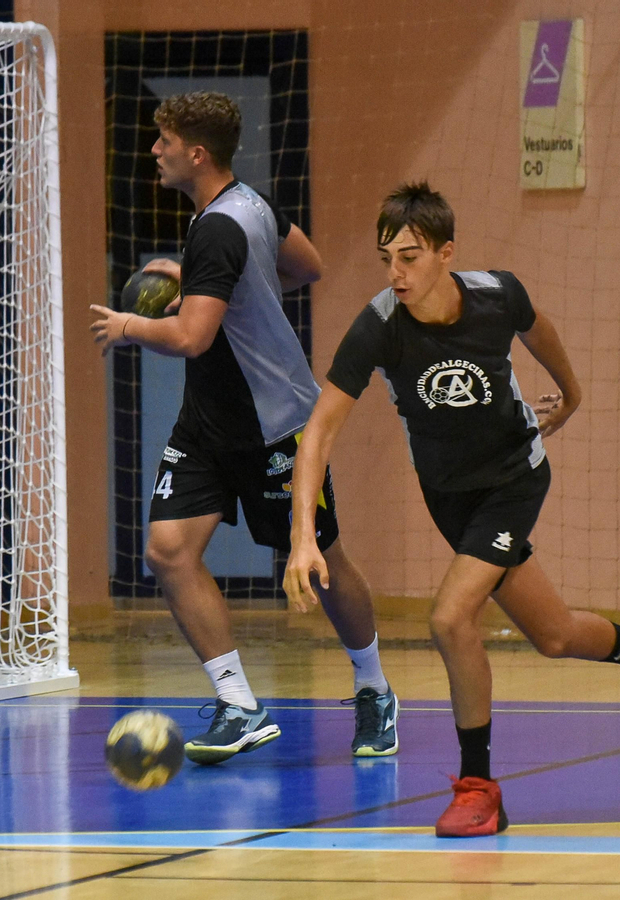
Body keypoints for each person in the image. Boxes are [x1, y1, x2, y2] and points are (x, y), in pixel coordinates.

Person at [282, 181, 620, 835]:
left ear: (445, 253)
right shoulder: (379, 327)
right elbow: (318, 432)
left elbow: (539, 330)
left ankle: (480, 787)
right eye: (386, 259)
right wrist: (301, 539)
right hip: (450, 497)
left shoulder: (495, 296)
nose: (395, 273)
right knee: (554, 634)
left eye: (409, 256)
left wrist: (570, 396)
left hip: (514, 479)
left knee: (451, 617)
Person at [89, 92, 398, 763]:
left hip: (275, 424)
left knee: (322, 566)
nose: (155, 150)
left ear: (196, 153)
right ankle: (238, 704)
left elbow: (193, 336)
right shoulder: (247, 206)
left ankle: (375, 688)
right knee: (169, 551)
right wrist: (209, 280)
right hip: (207, 424)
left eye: (163, 140)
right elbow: (304, 266)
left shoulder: (221, 229)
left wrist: (130, 326)